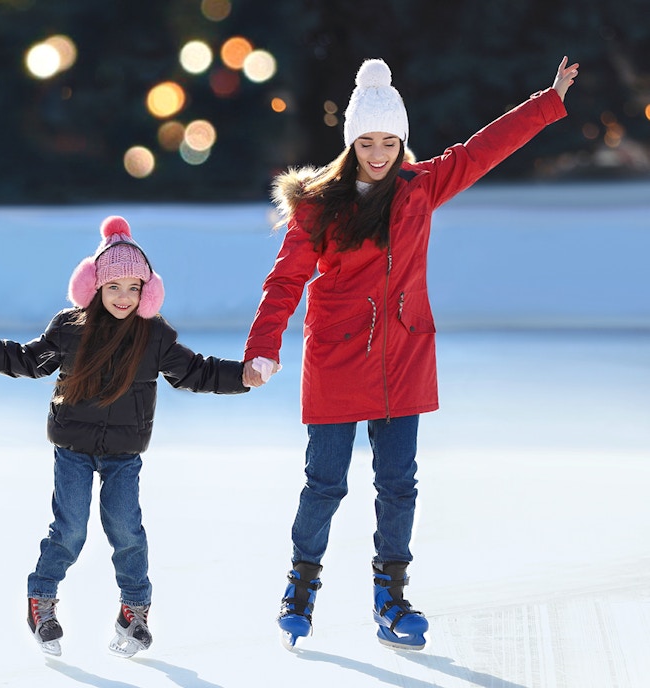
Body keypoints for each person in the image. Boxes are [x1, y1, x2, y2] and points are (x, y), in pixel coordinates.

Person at [242, 56, 579, 651]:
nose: (378, 153)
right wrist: (263, 347)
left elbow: (480, 151)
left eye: (389, 141)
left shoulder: (419, 189)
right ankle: (300, 589)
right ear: (350, 142)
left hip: (402, 356)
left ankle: (391, 598)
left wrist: (546, 102)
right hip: (338, 359)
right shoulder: (320, 204)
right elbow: (285, 280)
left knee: (399, 485)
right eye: (366, 142)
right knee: (325, 484)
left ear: (402, 140)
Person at [0, 215, 249, 657]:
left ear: (147, 292)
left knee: (126, 529)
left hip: (123, 454)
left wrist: (243, 375)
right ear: (94, 287)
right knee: (71, 529)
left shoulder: (155, 335)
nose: (124, 297)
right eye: (114, 287)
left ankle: (134, 611)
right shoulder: (71, 327)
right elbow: (28, 359)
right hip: (73, 448)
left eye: (134, 288)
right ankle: (41, 598)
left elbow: (195, 370)